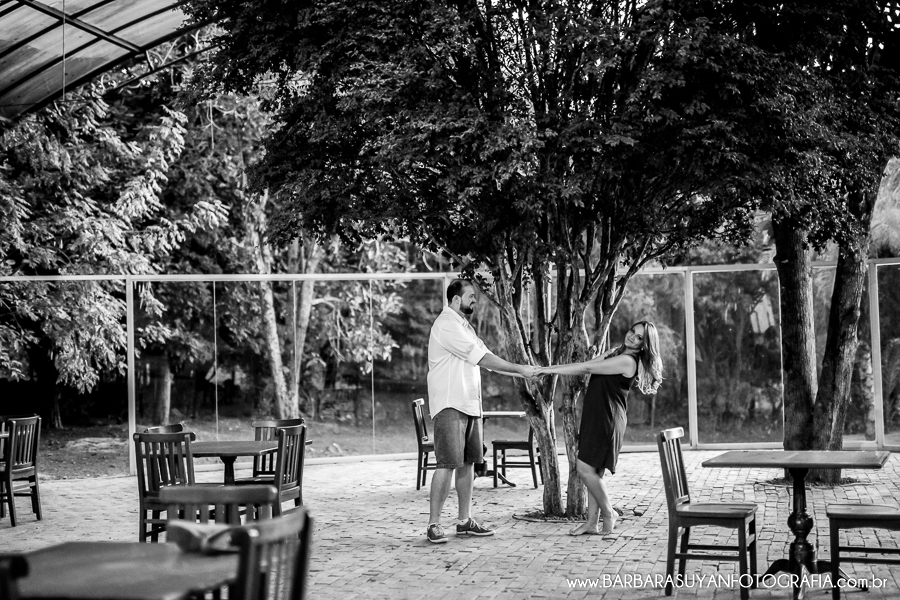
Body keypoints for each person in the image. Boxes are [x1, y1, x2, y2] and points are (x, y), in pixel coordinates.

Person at [425, 279, 537, 544]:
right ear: (455, 300)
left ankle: (464, 521)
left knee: (468, 463)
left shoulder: (464, 326)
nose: (475, 300)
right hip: (450, 405)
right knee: (447, 464)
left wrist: (520, 369)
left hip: (470, 405)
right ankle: (433, 524)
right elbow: (482, 358)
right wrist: (521, 370)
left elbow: (486, 357)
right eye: (471, 296)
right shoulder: (446, 325)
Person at [537, 321, 663, 536]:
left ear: (645, 345)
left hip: (607, 419)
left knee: (584, 468)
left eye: (639, 337)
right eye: (632, 331)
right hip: (596, 415)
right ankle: (591, 523)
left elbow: (587, 368)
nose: (632, 336)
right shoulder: (617, 352)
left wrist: (547, 370)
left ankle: (609, 512)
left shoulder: (626, 361)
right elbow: (591, 363)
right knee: (594, 472)